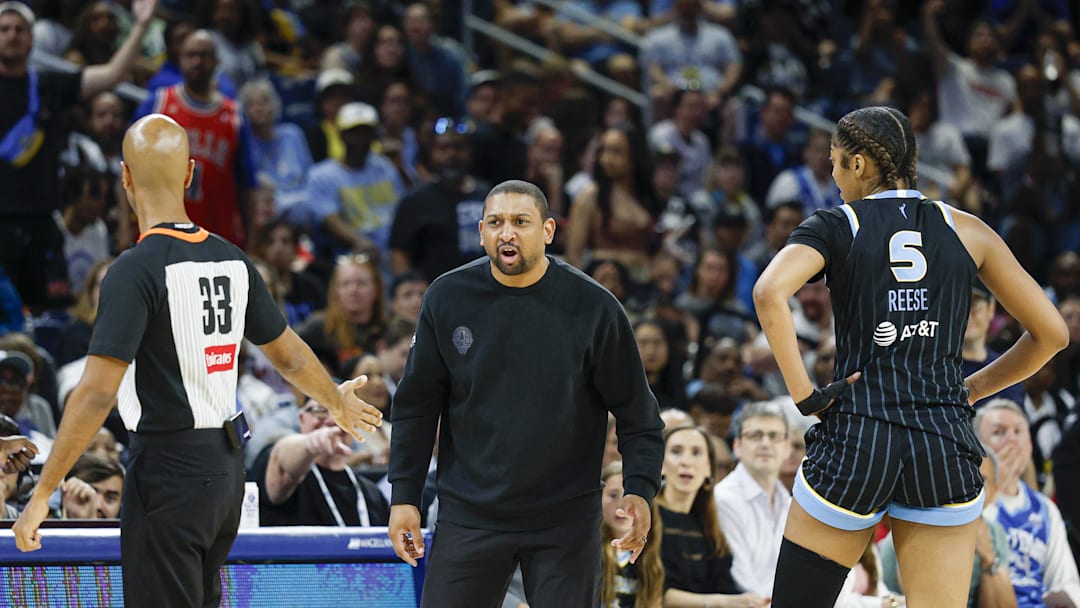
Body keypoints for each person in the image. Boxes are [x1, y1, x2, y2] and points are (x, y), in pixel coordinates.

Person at [12, 114, 384, 608]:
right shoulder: (232, 258)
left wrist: (43, 494)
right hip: (225, 472)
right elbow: (290, 355)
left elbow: (98, 391)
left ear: (125, 176)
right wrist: (335, 399)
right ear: (189, 173)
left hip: (168, 468)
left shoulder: (135, 269)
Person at [753, 106, 1068, 608]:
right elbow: (1052, 334)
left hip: (859, 435)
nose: (834, 179)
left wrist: (807, 398)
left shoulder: (838, 223)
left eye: (836, 164)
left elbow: (770, 292)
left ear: (859, 165)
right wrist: (972, 389)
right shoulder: (968, 229)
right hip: (942, 442)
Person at [387, 179, 665, 606]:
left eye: (521, 222)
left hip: (565, 520)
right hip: (470, 513)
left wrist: (640, 487)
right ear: (481, 233)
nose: (507, 233)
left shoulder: (594, 306)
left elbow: (638, 415)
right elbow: (417, 407)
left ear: (549, 231)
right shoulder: (446, 298)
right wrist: (404, 495)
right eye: (496, 223)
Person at [0, 0, 156, 311]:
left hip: (41, 223)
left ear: (32, 38)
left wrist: (140, 26)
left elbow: (112, 75)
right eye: (4, 29)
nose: (12, 35)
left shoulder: (48, 85)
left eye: (20, 29)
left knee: (46, 319)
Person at [134, 28, 257, 248]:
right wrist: (127, 224)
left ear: (217, 61)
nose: (197, 62)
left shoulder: (234, 116)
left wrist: (251, 237)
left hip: (217, 231)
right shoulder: (158, 104)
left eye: (204, 55)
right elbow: (129, 167)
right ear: (179, 59)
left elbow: (246, 183)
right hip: (162, 231)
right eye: (190, 55)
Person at [975, 399, 1080, 606]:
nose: (1012, 441)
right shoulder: (968, 501)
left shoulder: (1045, 508)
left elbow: (1065, 582)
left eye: (1018, 432)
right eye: (999, 432)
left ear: (1030, 445)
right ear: (977, 445)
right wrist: (994, 484)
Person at [252, 397, 390, 527]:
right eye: (320, 411)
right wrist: (310, 444)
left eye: (342, 412)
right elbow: (280, 457)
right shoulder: (290, 474)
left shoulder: (372, 495)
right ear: (302, 419)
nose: (331, 420)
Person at [712, 400, 792, 598]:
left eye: (774, 436)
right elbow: (743, 582)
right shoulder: (723, 499)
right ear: (737, 446)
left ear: (787, 448)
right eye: (755, 436)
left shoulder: (792, 504)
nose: (766, 443)